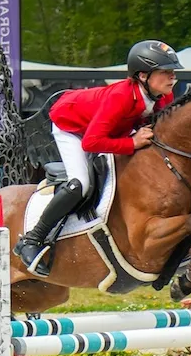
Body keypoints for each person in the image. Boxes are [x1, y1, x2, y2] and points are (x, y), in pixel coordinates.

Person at [14, 39, 182, 274]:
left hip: (110, 130)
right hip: (72, 128)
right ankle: (32, 240)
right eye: (165, 72)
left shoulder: (164, 96)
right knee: (80, 184)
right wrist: (132, 142)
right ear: (143, 75)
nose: (172, 77)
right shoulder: (121, 97)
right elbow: (91, 142)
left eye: (173, 72)